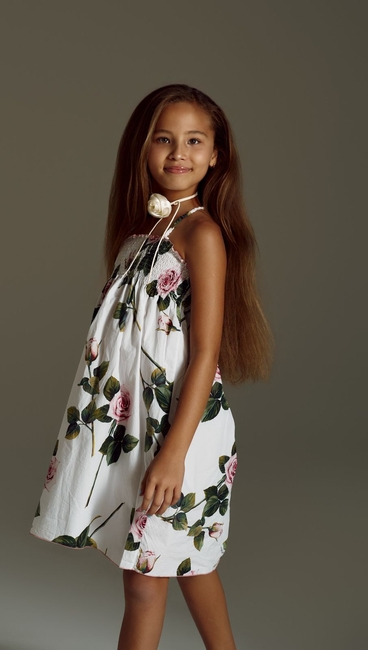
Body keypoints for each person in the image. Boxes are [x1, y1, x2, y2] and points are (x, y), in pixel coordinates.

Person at [30, 83, 274, 650]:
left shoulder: (202, 234)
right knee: (170, 567)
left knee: (162, 573)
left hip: (181, 431)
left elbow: (206, 353)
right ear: (141, 148)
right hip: (137, 424)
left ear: (216, 156)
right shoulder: (141, 234)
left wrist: (173, 454)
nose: (178, 153)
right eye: (164, 139)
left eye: (194, 141)